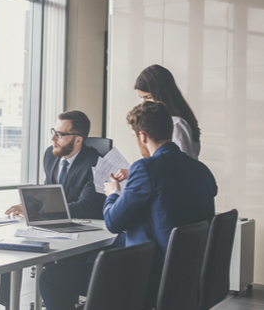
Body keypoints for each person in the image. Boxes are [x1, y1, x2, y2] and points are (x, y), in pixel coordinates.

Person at [37, 101, 218, 310]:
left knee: (50, 277)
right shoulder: (201, 169)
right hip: (186, 276)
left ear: (142, 136)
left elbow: (113, 222)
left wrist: (113, 193)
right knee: (93, 260)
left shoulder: (145, 167)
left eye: (134, 137)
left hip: (146, 276)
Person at [0, 110, 107, 307]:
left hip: (84, 231)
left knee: (52, 267)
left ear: (78, 139)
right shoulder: (51, 154)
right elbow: (49, 192)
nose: (53, 138)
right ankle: (7, 303)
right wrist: (31, 206)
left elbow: (85, 207)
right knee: (12, 247)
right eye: (54, 131)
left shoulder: (96, 164)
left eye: (60, 134)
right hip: (53, 224)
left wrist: (39, 211)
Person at [135, 64, 202, 159]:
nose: (144, 104)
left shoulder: (176, 124)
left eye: (148, 97)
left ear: (162, 94)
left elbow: (177, 166)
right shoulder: (170, 121)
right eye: (141, 98)